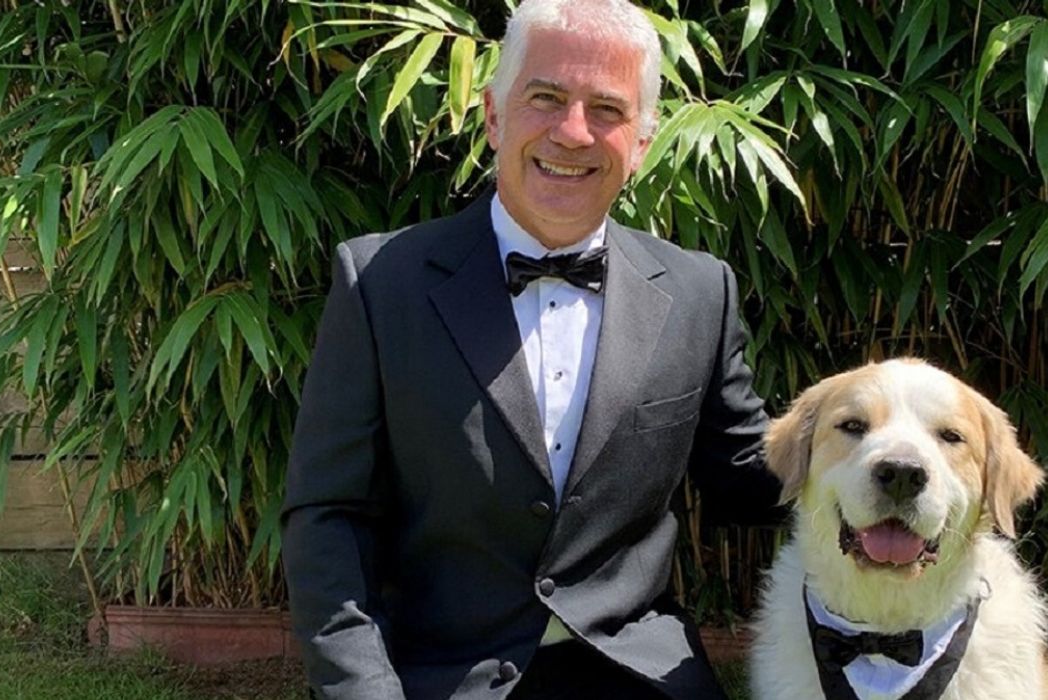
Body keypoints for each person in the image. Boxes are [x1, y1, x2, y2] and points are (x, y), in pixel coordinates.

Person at [281, 1, 783, 698]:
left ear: (640, 143)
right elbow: (327, 517)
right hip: (440, 676)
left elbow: (756, 479)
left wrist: (910, 459)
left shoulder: (701, 292)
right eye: (545, 98)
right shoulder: (378, 285)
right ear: (492, 115)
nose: (572, 132)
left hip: (636, 672)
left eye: (606, 110)